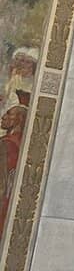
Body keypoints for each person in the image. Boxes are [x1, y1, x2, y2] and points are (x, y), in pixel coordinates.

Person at [0, 96, 28, 233]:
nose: (3, 117)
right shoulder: (18, 142)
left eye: (9, 114)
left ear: (19, 119)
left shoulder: (7, 143)